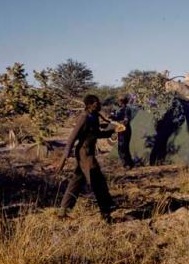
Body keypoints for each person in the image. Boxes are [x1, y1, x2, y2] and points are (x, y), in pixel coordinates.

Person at [55, 94, 123, 222]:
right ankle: (106, 212)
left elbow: (97, 134)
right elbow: (71, 140)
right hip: (84, 153)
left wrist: (114, 131)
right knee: (98, 180)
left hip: (88, 152)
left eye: (99, 103)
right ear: (90, 105)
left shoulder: (94, 116)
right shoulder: (84, 118)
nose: (99, 105)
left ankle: (62, 211)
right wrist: (63, 160)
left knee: (77, 181)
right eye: (96, 103)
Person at [109, 95, 134, 169]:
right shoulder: (121, 109)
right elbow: (118, 118)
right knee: (122, 147)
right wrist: (112, 116)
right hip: (121, 130)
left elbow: (126, 120)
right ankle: (128, 163)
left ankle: (127, 164)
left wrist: (118, 121)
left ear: (121, 102)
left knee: (123, 147)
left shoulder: (127, 109)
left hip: (125, 130)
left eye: (119, 101)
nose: (118, 103)